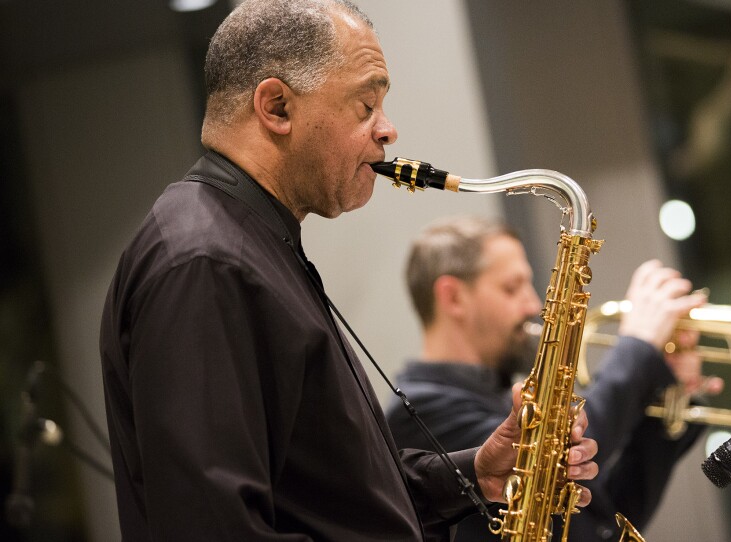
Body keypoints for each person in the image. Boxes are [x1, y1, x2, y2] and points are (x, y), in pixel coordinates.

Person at [98, 2, 599, 541]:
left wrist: (472, 474)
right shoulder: (204, 263)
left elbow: (328, 497)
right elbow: (211, 527)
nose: (388, 130)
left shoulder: (250, 245)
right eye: (366, 105)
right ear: (276, 106)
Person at [385, 216, 721, 541]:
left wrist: (664, 392)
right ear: (452, 297)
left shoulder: (501, 394)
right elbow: (546, 460)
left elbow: (598, 525)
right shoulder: (419, 413)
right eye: (511, 287)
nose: (533, 303)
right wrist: (639, 346)